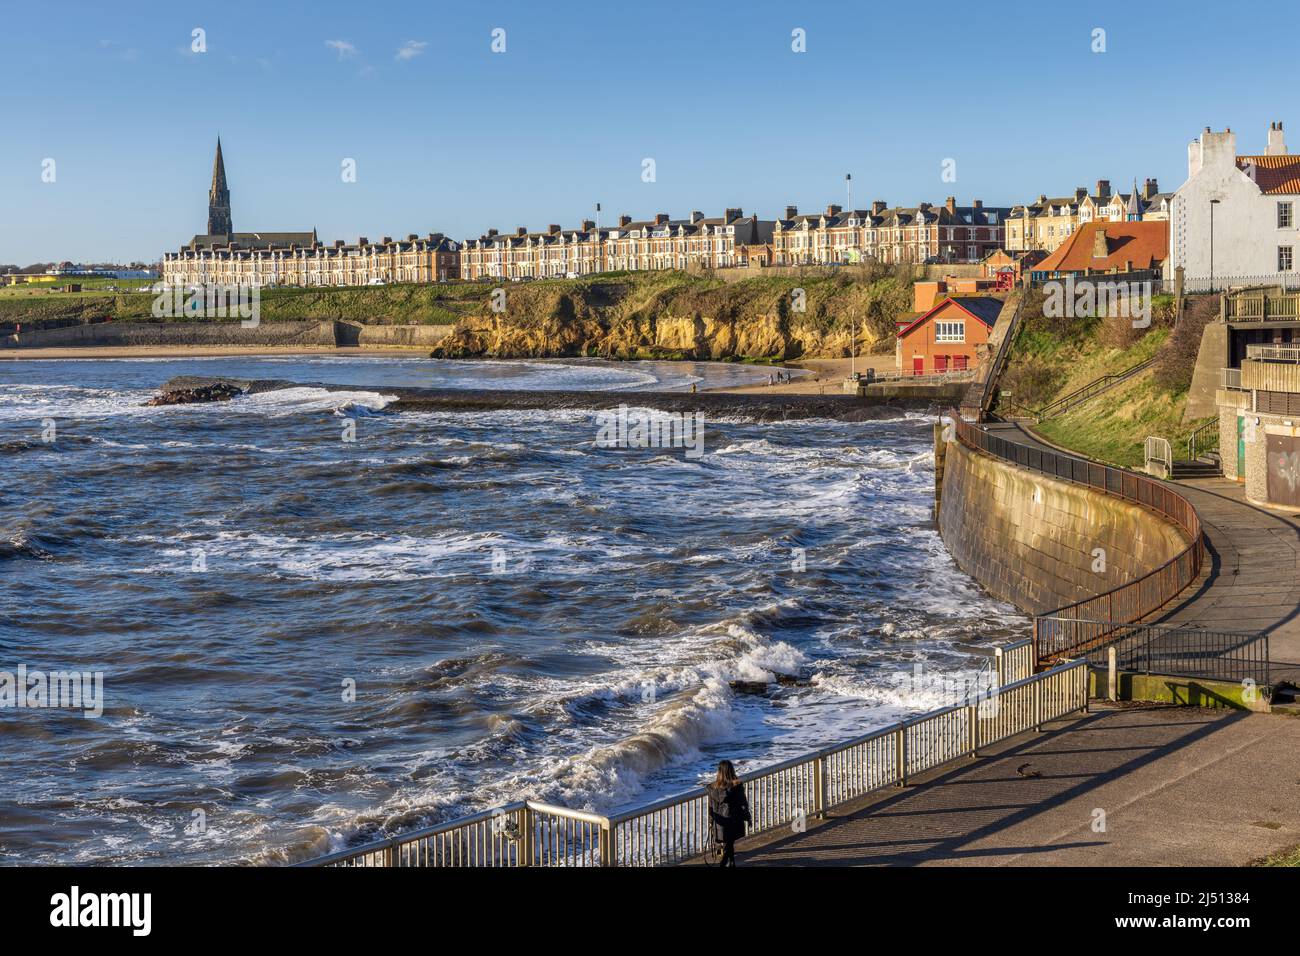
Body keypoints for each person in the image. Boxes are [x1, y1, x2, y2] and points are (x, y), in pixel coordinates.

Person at [707, 759, 750, 867]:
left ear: (719, 771)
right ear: (731, 771)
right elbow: (743, 803)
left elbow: (711, 807)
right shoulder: (736, 786)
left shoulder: (712, 788)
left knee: (727, 842)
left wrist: (711, 821)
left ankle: (731, 862)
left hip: (720, 821)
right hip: (734, 819)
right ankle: (724, 863)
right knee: (729, 843)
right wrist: (747, 817)